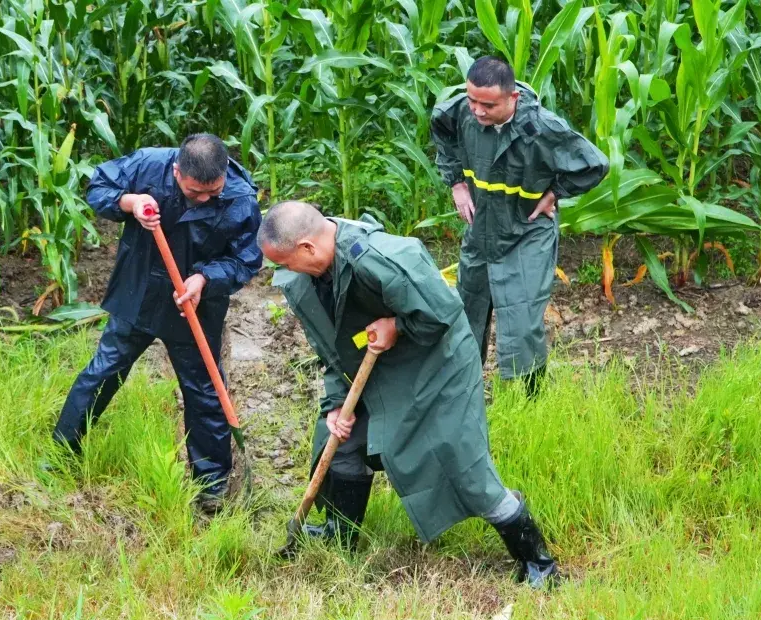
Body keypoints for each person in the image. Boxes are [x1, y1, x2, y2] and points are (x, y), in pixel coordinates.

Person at [260, 201, 558, 588]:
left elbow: (443, 311)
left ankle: (537, 562)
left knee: (461, 464)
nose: (286, 272)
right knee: (341, 442)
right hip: (382, 367)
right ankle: (340, 537)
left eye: (286, 263)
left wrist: (397, 326)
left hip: (437, 367)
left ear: (307, 248)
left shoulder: (383, 258)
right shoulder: (311, 278)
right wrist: (336, 405)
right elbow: (333, 347)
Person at [53, 134, 262, 512]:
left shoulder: (241, 198)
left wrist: (205, 279)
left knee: (204, 391)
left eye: (213, 192)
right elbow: (98, 186)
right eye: (195, 191)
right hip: (140, 292)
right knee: (103, 371)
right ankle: (61, 453)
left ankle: (211, 485)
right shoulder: (148, 165)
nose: (205, 199)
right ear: (176, 171)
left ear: (225, 173)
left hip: (195, 307)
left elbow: (246, 259)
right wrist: (130, 202)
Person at [430, 56, 608, 396]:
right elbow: (440, 127)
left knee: (523, 319)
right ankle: (462, 390)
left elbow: (594, 164)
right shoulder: (461, 112)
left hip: (527, 229)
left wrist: (555, 193)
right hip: (482, 228)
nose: (477, 111)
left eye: (488, 105)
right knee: (468, 310)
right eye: (472, 100)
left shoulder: (542, 128)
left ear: (513, 98)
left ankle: (528, 399)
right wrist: (456, 183)